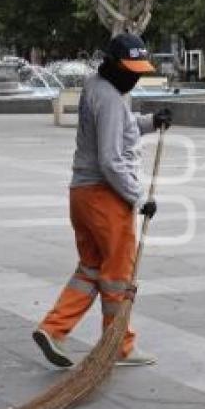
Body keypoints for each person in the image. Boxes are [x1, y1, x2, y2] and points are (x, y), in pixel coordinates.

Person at [33, 33, 173, 368]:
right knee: (117, 275)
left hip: (81, 195)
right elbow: (111, 159)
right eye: (131, 70)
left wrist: (150, 122)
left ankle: (53, 329)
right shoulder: (110, 97)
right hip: (104, 197)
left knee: (91, 269)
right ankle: (119, 346)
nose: (135, 76)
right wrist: (139, 198)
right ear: (112, 64)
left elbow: (119, 130)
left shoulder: (97, 86)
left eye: (140, 71)